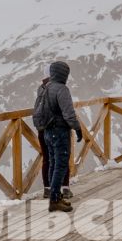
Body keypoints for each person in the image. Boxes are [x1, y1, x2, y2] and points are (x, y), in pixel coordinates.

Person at [32, 60, 87, 213]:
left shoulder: (45, 88)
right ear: (63, 73)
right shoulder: (61, 89)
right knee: (61, 165)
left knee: (53, 163)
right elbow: (69, 114)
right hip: (60, 131)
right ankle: (55, 199)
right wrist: (78, 129)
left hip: (47, 131)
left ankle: (54, 196)